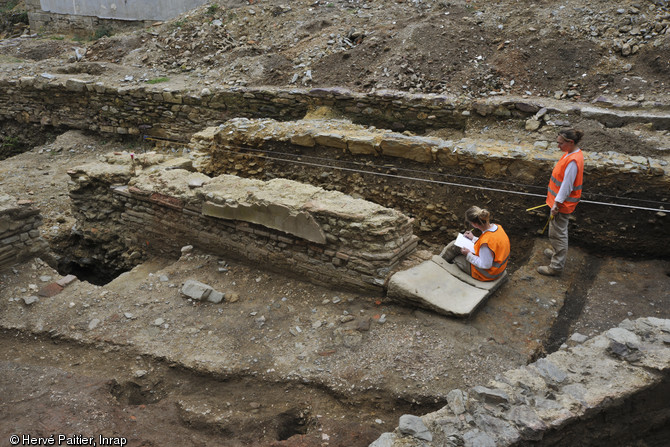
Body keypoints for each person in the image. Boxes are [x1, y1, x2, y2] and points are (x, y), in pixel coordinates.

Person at [538, 128, 584, 276]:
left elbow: (567, 186)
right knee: (557, 232)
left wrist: (556, 204)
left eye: (560, 143)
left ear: (570, 142)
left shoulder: (572, 161)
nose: (558, 146)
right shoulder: (570, 154)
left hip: (561, 205)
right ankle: (556, 253)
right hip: (558, 203)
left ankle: (556, 266)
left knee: (558, 234)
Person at [440, 206, 510, 281]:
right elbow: (493, 243)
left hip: (488, 274)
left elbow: (486, 264)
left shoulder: (485, 244)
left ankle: (440, 263)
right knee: (455, 244)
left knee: (457, 259)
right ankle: (440, 260)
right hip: (499, 268)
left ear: (474, 224)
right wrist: (473, 238)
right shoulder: (498, 227)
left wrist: (468, 254)